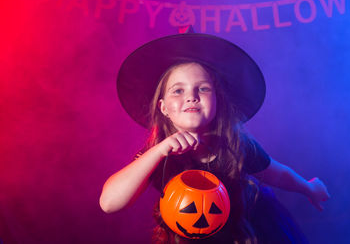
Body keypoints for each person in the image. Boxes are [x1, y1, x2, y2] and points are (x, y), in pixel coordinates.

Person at [99, 30, 330, 243]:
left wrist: (308, 188)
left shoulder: (235, 145)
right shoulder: (158, 155)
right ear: (163, 107)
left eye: (203, 88)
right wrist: (159, 151)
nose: (191, 97)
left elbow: (276, 174)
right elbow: (109, 203)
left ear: (217, 102)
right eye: (178, 90)